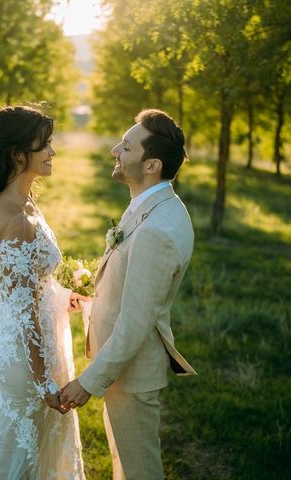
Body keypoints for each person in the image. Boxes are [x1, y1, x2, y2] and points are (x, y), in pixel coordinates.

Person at [59, 109, 197, 479]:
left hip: (132, 374)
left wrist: (87, 383)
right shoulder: (153, 205)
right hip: (126, 369)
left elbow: (136, 323)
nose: (114, 151)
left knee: (139, 472)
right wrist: (91, 296)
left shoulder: (157, 228)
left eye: (126, 146)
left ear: (151, 164)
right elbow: (135, 287)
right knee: (124, 467)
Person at [0, 106, 87, 479]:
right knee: (22, 455)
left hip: (33, 336)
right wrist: (45, 382)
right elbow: (23, 312)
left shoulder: (26, 201)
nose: (52, 152)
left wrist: (60, 295)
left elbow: (29, 286)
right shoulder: (15, 218)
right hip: (25, 350)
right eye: (45, 145)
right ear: (20, 154)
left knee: (37, 449)